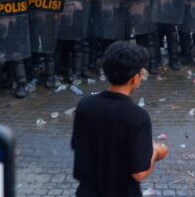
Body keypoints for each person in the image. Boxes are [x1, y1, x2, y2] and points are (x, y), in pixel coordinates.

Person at [71, 41, 168, 197]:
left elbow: (78, 145)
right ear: (135, 78)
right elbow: (139, 173)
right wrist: (156, 152)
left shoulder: (85, 105)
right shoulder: (137, 117)